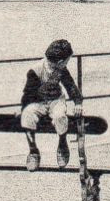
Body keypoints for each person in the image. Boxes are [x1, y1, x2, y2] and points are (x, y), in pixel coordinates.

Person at [20, 38, 84, 170]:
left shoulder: (61, 70)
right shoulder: (36, 70)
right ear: (60, 61)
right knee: (27, 115)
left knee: (60, 116)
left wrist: (77, 102)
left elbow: (70, 86)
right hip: (38, 101)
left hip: (56, 100)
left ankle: (62, 144)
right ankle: (33, 151)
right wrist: (24, 108)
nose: (67, 63)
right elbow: (27, 94)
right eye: (67, 60)